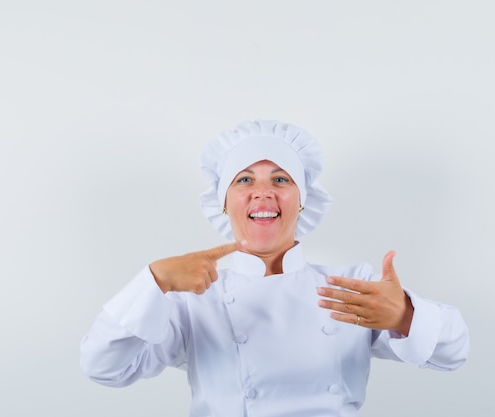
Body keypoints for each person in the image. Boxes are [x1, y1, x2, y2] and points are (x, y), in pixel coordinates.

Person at [80, 120, 469, 416]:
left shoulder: (351, 286)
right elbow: (104, 367)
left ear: (302, 200)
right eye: (244, 179)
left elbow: (454, 352)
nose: (262, 191)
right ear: (224, 202)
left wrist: (404, 315)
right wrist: (155, 279)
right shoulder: (194, 300)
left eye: (280, 179)